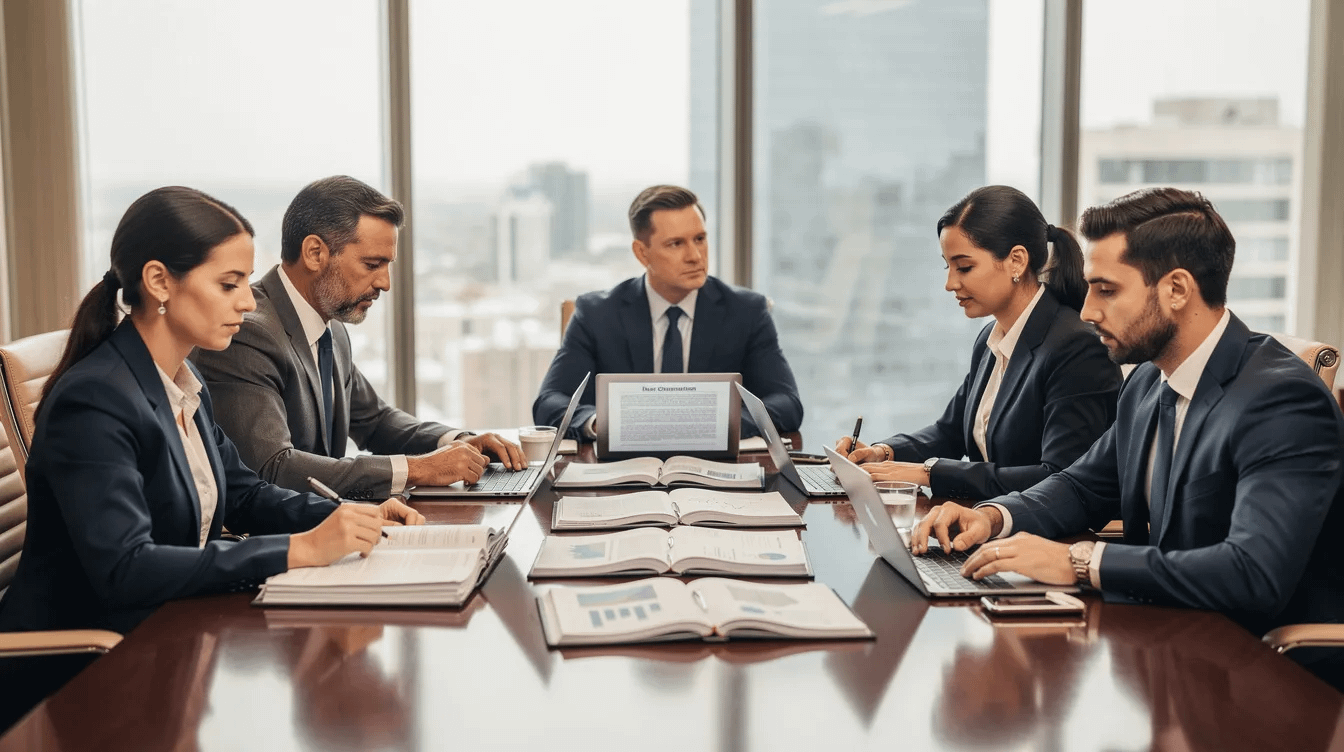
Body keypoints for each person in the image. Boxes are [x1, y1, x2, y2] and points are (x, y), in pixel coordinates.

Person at [912, 187, 1344, 687]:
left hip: (1259, 678)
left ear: (1176, 290)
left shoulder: (1283, 401)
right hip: (1167, 648)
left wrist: (1078, 561)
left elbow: (1251, 572)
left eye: (1107, 290)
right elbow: (1082, 486)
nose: (1089, 310)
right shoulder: (1147, 380)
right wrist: (992, 516)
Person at [0, 186, 423, 639]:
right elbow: (127, 568)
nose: (246, 301)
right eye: (228, 284)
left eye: (245, 281)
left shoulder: (183, 381)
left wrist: (349, 515)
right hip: (87, 665)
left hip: (170, 628)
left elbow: (244, 496)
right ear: (160, 281)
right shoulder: (94, 401)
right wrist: (298, 550)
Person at [192, 176, 524, 499]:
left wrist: (457, 441)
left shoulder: (331, 329)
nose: (385, 283)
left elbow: (375, 421)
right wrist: (415, 469)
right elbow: (272, 469)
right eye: (372, 264)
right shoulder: (247, 333)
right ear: (314, 253)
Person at [837, 185, 1122, 500]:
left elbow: (1058, 477)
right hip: (989, 521)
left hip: (1045, 537)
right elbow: (950, 431)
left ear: (1016, 261)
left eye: (964, 267)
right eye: (948, 267)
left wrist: (928, 474)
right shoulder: (991, 337)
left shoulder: (1076, 348)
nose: (950, 284)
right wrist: (883, 452)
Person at [533, 184, 803, 441]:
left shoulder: (747, 311)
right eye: (676, 244)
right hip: (622, 474)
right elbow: (550, 401)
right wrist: (598, 422)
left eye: (700, 239)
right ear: (642, 253)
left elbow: (786, 403)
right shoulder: (596, 314)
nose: (695, 256)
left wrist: (718, 424)